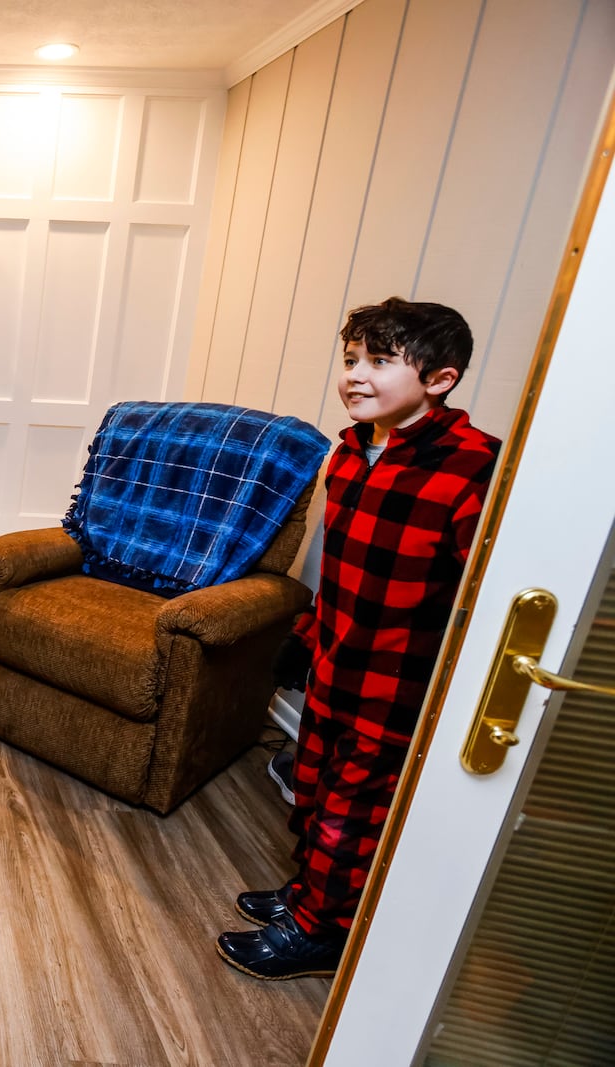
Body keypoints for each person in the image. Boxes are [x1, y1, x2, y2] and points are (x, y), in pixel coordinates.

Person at [216, 297, 501, 980]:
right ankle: (313, 895)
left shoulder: (474, 467)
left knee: (354, 809)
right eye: (351, 360)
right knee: (311, 787)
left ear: (440, 379)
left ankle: (321, 932)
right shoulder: (348, 456)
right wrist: (306, 637)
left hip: (395, 687)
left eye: (379, 361)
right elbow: (339, 571)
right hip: (336, 665)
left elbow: (481, 597)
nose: (356, 376)